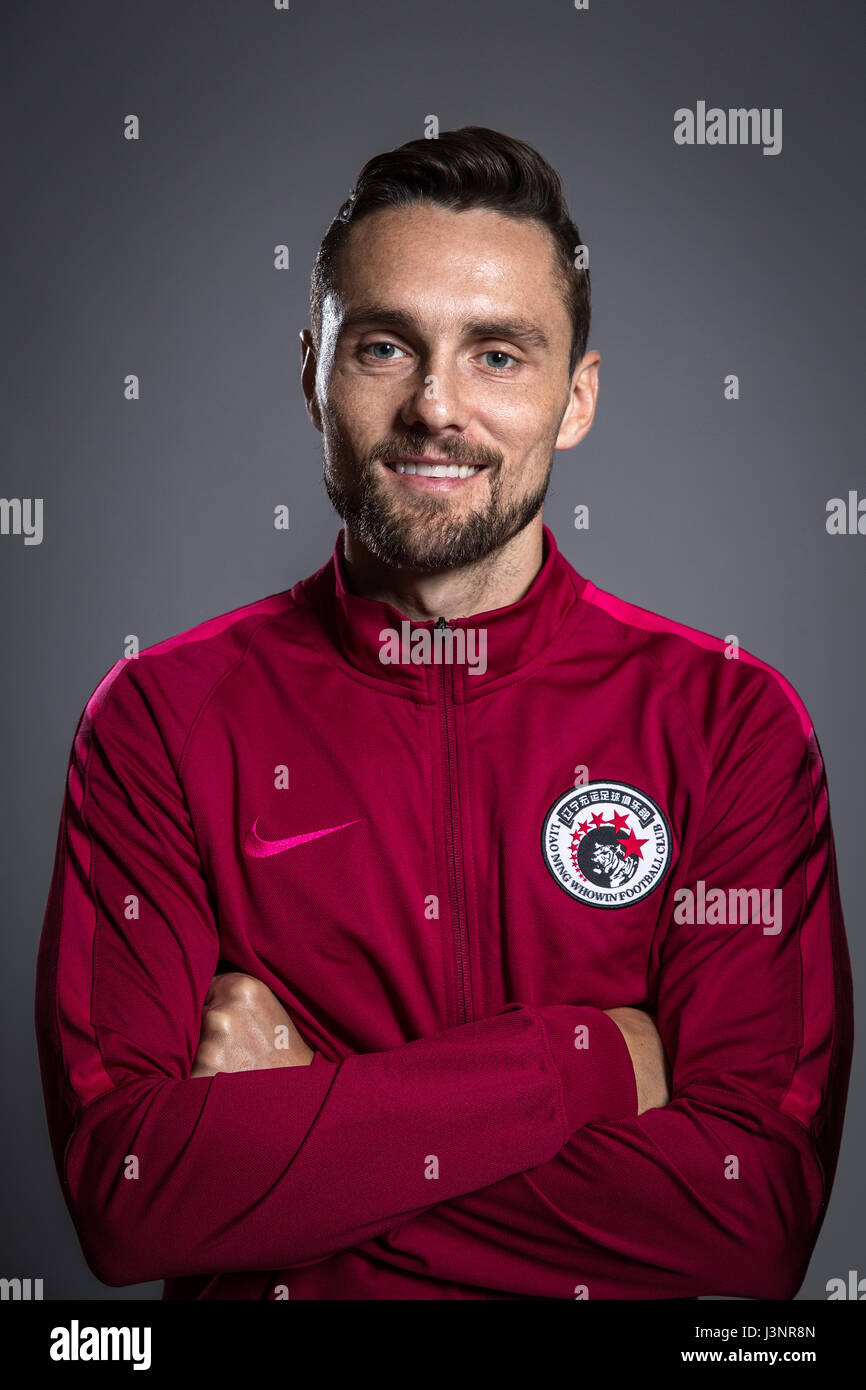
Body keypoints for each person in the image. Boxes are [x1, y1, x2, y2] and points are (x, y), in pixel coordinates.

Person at [35, 126, 853, 1300]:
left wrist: (298, 1138)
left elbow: (748, 1208)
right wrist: (579, 1061)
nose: (434, 406)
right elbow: (129, 1192)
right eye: (382, 347)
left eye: (498, 356)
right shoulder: (161, 720)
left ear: (576, 398)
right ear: (308, 371)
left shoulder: (730, 724)